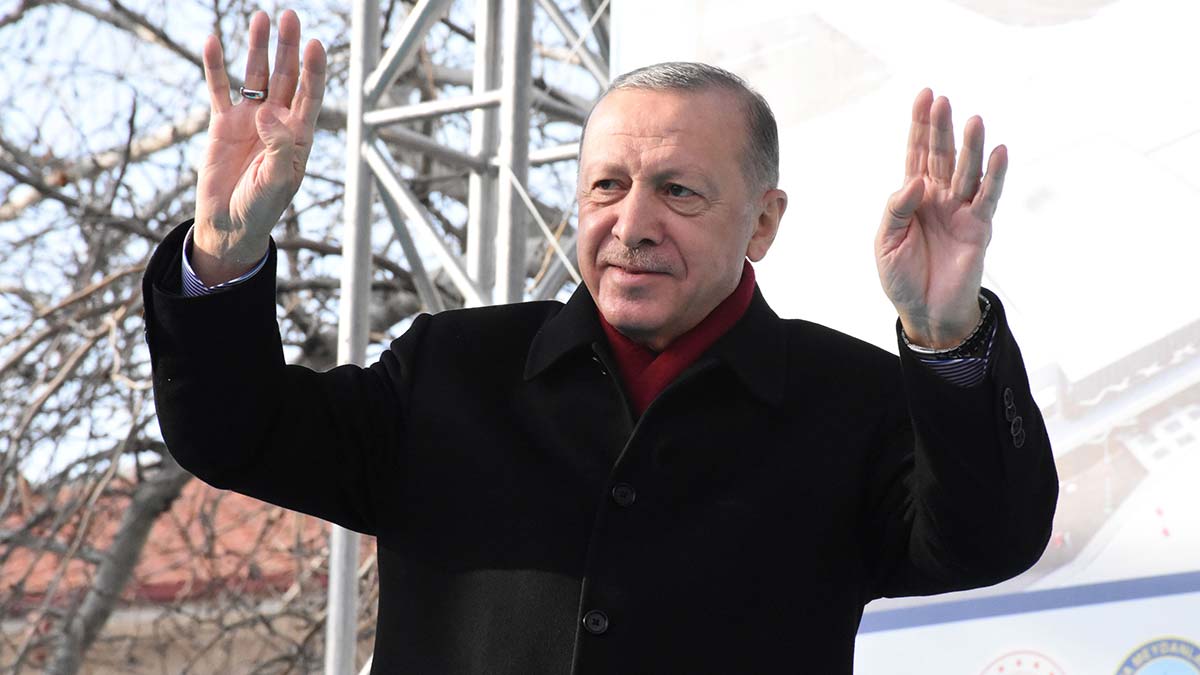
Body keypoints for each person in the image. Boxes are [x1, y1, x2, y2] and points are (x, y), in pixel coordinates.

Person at [143, 10, 1058, 674]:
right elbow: (231, 433)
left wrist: (947, 333)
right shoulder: (453, 371)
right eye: (607, 186)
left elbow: (990, 540)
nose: (633, 223)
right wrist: (224, 251)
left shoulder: (849, 402)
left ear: (763, 221)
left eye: (679, 191)